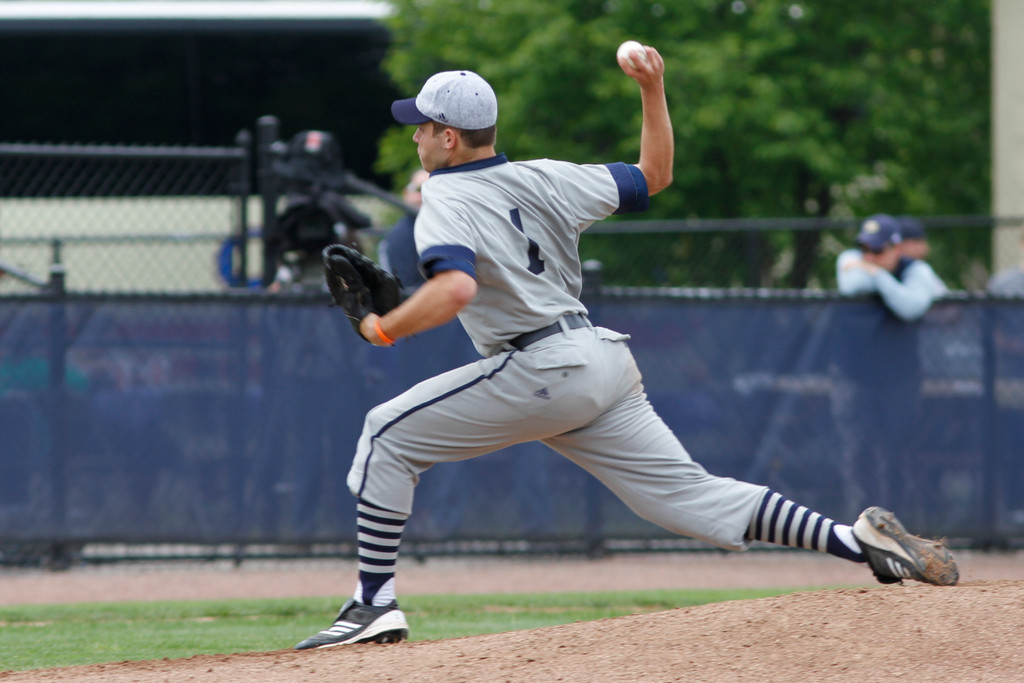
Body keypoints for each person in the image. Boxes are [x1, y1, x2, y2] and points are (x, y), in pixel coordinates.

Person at [295, 47, 958, 650]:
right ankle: (857, 541)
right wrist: (652, 88)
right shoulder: (547, 176)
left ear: (448, 136)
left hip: (541, 366)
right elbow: (654, 173)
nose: (414, 135)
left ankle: (372, 602)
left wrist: (383, 328)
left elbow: (456, 287)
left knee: (386, 433)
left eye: (421, 125)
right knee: (689, 497)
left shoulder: (444, 191)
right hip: (601, 359)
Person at [836, 214, 946, 321]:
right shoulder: (851, 257)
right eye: (864, 249)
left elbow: (910, 309)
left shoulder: (918, 269)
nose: (869, 257)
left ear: (897, 249)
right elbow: (851, 286)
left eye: (877, 250)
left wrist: (877, 274)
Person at [380, 169, 431, 294]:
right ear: (406, 194)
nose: (424, 194)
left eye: (431, 188)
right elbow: (407, 290)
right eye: (418, 189)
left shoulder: (454, 226)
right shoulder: (399, 237)